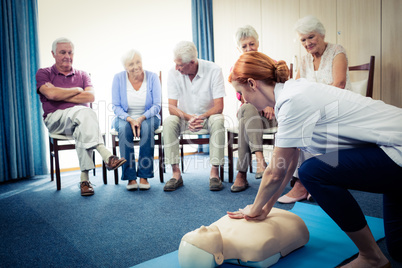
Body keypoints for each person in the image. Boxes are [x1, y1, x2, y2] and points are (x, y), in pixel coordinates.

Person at [228, 51, 402, 268]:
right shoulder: (292, 94)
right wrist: (266, 208)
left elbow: (274, 172)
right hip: (389, 152)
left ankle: (371, 257)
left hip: (396, 149)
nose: (242, 100)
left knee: (313, 172)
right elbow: (288, 163)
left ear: (252, 84)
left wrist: (254, 208)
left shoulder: (293, 100)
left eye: (240, 93)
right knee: (398, 250)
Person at [36, 37, 126, 196]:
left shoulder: (83, 75)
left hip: (80, 122)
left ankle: (84, 181)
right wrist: (77, 89)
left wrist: (58, 94)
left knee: (84, 122)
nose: (67, 56)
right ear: (53, 54)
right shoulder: (44, 73)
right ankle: (106, 155)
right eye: (62, 52)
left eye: (70, 52)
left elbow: (90, 97)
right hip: (55, 119)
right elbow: (50, 93)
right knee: (86, 113)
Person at [278, 15, 352, 203]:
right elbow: (295, 89)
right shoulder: (304, 61)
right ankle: (310, 182)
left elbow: (340, 84)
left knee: (311, 123)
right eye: (303, 40)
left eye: (311, 37)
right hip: (316, 110)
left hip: (339, 105)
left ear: (321, 34)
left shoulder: (337, 51)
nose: (307, 43)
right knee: (300, 122)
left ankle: (303, 184)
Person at [163, 41, 226, 191]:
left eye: (180, 65)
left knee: (218, 120)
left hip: (208, 118)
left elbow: (219, 107)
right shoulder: (173, 73)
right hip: (185, 119)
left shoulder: (214, 70)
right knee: (169, 121)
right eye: (175, 64)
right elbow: (172, 107)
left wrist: (201, 117)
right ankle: (176, 174)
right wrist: (189, 117)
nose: (177, 68)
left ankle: (214, 173)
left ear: (192, 62)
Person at [178, 207, 309, 268]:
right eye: (202, 234)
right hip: (293, 222)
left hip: (267, 210)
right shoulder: (254, 248)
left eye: (195, 230)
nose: (202, 227)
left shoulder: (214, 227)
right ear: (218, 257)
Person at [230, 25, 276, 193]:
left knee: (244, 122)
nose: (248, 48)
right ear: (238, 48)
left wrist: (269, 104)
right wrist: (259, 104)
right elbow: (242, 97)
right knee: (248, 109)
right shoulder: (235, 70)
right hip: (251, 112)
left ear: (258, 43)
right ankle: (260, 160)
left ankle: (241, 175)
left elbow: (281, 92)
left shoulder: (271, 64)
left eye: (251, 44)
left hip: (270, 116)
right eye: (244, 46)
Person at [111, 49, 161, 191]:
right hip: (124, 117)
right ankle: (130, 177)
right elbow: (115, 106)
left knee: (146, 127)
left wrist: (140, 118)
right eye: (131, 64)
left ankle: (144, 176)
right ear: (125, 67)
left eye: (138, 62)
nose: (136, 66)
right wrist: (130, 119)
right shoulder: (118, 78)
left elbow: (157, 105)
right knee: (124, 128)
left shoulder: (152, 77)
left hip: (149, 117)